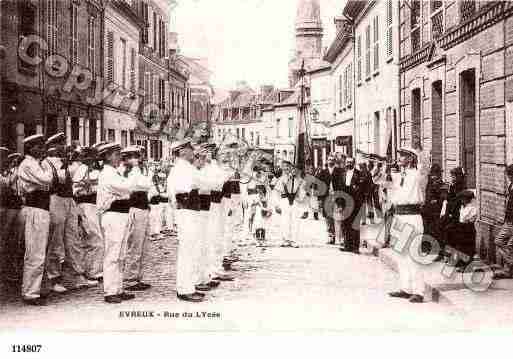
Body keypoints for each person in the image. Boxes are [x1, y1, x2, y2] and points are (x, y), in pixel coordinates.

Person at [44, 133, 95, 292]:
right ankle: (54, 278)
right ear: (53, 147)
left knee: (73, 239)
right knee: (55, 239)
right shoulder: (47, 163)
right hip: (56, 200)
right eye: (60, 144)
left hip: (69, 200)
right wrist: (66, 165)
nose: (64, 147)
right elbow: (53, 181)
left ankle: (77, 275)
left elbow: (74, 180)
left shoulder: (65, 162)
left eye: (63, 144)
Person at [97, 143, 142, 304]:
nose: (119, 157)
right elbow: (128, 187)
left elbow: (130, 188)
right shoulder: (107, 173)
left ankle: (118, 288)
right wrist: (135, 169)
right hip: (113, 215)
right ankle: (110, 291)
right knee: (113, 255)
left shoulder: (115, 172)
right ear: (107, 156)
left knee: (121, 255)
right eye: (116, 154)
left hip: (121, 214)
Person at [386, 147, 429, 303]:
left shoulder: (417, 175)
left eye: (403, 156)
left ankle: (419, 291)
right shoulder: (397, 175)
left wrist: (419, 152)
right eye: (399, 156)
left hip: (412, 216)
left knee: (413, 255)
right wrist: (380, 167)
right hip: (399, 216)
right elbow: (380, 182)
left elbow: (425, 167)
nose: (399, 158)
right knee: (400, 255)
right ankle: (406, 288)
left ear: (411, 159)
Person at [17, 134, 54, 305]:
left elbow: (48, 184)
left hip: (42, 209)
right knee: (35, 253)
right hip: (34, 210)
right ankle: (30, 293)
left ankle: (39, 288)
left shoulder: (37, 164)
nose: (42, 149)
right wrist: (47, 167)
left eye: (43, 145)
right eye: (39, 146)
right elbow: (48, 179)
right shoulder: (28, 164)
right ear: (30, 148)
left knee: (41, 251)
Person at [167, 139, 205, 302]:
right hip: (186, 209)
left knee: (191, 249)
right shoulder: (182, 169)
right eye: (190, 150)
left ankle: (188, 286)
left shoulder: (185, 168)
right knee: (187, 250)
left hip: (190, 210)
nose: (193, 152)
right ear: (182, 152)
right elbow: (198, 183)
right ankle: (184, 289)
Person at [121, 146, 152, 292]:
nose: (140, 159)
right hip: (135, 209)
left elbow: (147, 184)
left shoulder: (138, 171)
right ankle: (130, 278)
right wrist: (135, 168)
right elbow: (139, 185)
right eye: (136, 156)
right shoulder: (127, 172)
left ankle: (138, 277)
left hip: (144, 208)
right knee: (134, 245)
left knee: (143, 245)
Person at [72, 147, 104, 282]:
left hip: (95, 205)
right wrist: (89, 187)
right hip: (85, 205)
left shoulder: (96, 170)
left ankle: (94, 269)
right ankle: (92, 271)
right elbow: (76, 189)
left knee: (96, 238)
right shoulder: (82, 169)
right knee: (94, 238)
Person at [274, 161, 305, 248]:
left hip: (295, 200)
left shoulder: (299, 180)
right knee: (285, 220)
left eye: (290, 168)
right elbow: (277, 191)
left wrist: (300, 200)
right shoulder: (282, 179)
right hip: (284, 200)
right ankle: (285, 239)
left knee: (295, 221)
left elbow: (302, 192)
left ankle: (294, 240)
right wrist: (277, 204)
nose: (288, 170)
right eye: (286, 168)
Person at [317, 155, 345, 244]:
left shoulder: (339, 171)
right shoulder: (323, 172)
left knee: (339, 217)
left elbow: (342, 186)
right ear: (326, 161)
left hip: (337, 198)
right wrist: (320, 199)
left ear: (335, 161)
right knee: (328, 218)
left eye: (332, 160)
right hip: (327, 198)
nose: (330, 161)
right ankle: (331, 237)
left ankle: (340, 238)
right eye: (329, 159)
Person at [340, 158, 365, 254]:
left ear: (354, 163)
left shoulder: (359, 174)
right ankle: (347, 245)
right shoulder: (342, 173)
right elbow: (340, 189)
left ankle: (355, 247)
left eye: (351, 162)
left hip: (356, 201)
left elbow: (362, 188)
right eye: (347, 162)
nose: (348, 164)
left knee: (355, 224)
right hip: (345, 201)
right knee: (345, 223)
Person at [493, 164, 513, 279]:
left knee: (510, 246)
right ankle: (510, 264)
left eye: (510, 175)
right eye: (508, 176)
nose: (509, 178)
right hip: (509, 221)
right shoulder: (510, 187)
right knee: (499, 241)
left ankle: (508, 270)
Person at [421, 164, 444, 258]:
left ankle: (436, 252)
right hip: (427, 211)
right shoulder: (428, 183)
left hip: (436, 212)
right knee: (427, 230)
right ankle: (427, 249)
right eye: (433, 174)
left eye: (436, 174)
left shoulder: (440, 184)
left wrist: (437, 201)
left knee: (435, 231)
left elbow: (442, 198)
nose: (434, 176)